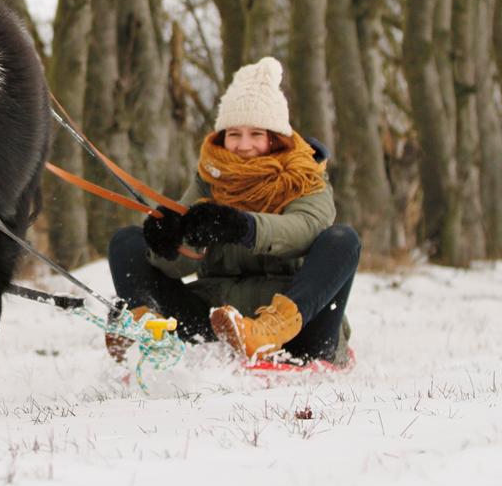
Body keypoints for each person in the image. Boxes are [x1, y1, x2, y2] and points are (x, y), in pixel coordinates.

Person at [106, 56, 360, 365]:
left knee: (343, 239)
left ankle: (265, 333)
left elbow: (306, 229)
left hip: (299, 331)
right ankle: (146, 327)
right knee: (129, 240)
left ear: (275, 139)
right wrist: (170, 240)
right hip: (216, 320)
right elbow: (175, 267)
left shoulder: (306, 175)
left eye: (256, 134)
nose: (243, 145)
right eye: (234, 134)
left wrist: (242, 227)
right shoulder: (209, 178)